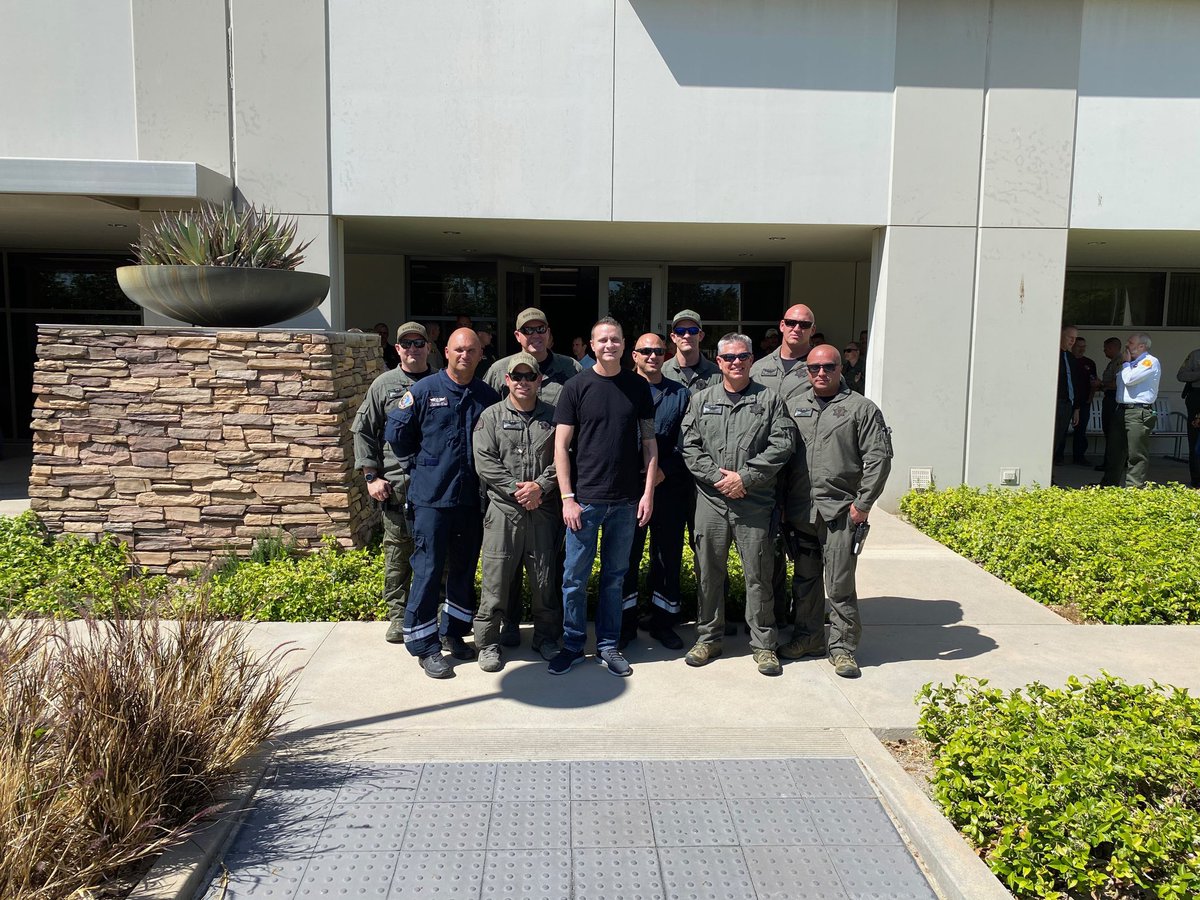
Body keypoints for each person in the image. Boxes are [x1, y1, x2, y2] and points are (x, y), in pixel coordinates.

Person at [385, 328, 499, 678]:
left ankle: (454, 633)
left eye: (472, 350)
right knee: (429, 569)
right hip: (431, 499)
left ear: (481, 354)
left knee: (463, 569)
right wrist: (420, 467)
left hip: (469, 500)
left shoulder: (487, 396)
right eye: (459, 350)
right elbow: (397, 436)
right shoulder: (423, 391)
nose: (465, 355)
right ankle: (425, 645)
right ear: (446, 352)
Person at [680, 333, 797, 676]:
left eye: (742, 356)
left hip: (754, 502)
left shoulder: (771, 400)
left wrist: (744, 478)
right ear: (718, 362)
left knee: (758, 574)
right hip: (711, 501)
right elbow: (689, 446)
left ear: (750, 359)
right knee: (708, 573)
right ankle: (708, 638)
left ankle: (763, 644)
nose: (736, 362)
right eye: (728, 357)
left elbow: (782, 445)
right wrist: (719, 478)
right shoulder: (701, 400)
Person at [550, 317, 658, 677]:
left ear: (624, 345)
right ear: (592, 346)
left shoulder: (638, 388)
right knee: (574, 579)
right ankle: (572, 645)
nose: (609, 345)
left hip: (626, 502)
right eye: (602, 340)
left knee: (615, 577)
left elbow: (649, 443)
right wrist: (567, 497)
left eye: (615, 339)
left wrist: (647, 495)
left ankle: (609, 645)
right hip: (585, 501)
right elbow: (561, 447)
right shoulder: (575, 387)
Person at [780, 343, 893, 679]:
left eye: (828, 367)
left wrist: (863, 504)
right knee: (805, 580)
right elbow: (782, 456)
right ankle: (809, 637)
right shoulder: (794, 405)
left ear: (840, 368)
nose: (820, 373)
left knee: (840, 583)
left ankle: (843, 648)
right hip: (802, 511)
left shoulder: (861, 409)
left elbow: (879, 459)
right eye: (813, 368)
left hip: (841, 512)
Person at [472, 353, 563, 671]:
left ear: (539, 380)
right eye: (517, 377)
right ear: (507, 380)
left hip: (542, 511)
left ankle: (546, 638)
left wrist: (540, 486)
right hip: (503, 513)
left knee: (544, 581)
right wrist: (517, 489)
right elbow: (485, 461)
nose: (524, 382)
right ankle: (488, 643)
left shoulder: (554, 417)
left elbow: (565, 456)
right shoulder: (491, 417)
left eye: (530, 376)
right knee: (495, 582)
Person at [352, 322, 435, 644]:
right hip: (395, 484)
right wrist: (371, 477)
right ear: (397, 349)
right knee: (398, 552)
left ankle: (435, 610)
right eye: (406, 344)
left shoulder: (441, 381)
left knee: (436, 551)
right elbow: (363, 431)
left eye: (419, 343)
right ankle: (399, 616)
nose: (413, 349)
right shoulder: (384, 385)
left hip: (434, 485)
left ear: (429, 346)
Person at [620, 332, 690, 651]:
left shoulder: (679, 394)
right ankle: (625, 624)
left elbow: (687, 441)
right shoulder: (620, 388)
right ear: (633, 355)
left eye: (659, 351)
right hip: (627, 489)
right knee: (626, 557)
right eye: (646, 350)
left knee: (666, 556)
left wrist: (664, 470)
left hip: (668, 487)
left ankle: (663, 622)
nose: (653, 356)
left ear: (667, 354)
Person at [485, 308, 582, 407]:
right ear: (518, 336)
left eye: (541, 329)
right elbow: (487, 411)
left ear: (548, 332)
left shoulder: (571, 367)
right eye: (528, 330)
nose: (535, 335)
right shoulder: (499, 371)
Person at [1102, 332, 1161, 488]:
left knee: (1136, 453)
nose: (1127, 345)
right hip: (1121, 409)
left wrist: (1126, 364)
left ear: (1142, 346)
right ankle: (1108, 486)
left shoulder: (1150, 362)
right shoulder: (1130, 363)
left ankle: (1133, 489)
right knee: (1114, 451)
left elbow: (1129, 380)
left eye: (1130, 342)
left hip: (1138, 411)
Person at [751, 304, 817, 401]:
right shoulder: (759, 367)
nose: (797, 329)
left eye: (804, 325)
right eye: (791, 322)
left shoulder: (824, 368)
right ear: (782, 326)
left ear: (813, 330)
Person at [661, 309, 720, 392]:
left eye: (693, 331)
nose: (687, 335)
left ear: (701, 336)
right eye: (680, 331)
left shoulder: (717, 374)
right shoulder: (661, 372)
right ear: (673, 337)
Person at [1053, 325, 1086, 466]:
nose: (1072, 341)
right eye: (1070, 337)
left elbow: (1076, 383)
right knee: (1051, 439)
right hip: (1055, 403)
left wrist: (1076, 408)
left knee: (1059, 438)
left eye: (1075, 338)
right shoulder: (1053, 354)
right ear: (1061, 335)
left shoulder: (1070, 357)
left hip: (1068, 404)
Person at [1071, 337, 1100, 465]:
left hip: (1083, 402)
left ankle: (1079, 456)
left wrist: (1090, 398)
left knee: (1081, 430)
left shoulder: (1089, 363)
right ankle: (1057, 457)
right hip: (1068, 401)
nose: (1081, 349)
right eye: (1079, 346)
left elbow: (1093, 382)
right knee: (1060, 430)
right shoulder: (1067, 360)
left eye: (1084, 346)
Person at [1096, 337, 1123, 473]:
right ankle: (1110, 462)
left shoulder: (1119, 362)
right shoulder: (1113, 362)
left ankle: (1111, 464)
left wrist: (1101, 384)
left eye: (1106, 348)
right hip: (1109, 397)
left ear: (1112, 348)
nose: (1104, 351)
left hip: (1114, 400)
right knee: (1109, 432)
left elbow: (1117, 383)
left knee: (1112, 432)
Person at [1178, 345, 1200, 488]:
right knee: (1195, 440)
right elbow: (1181, 375)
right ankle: (1197, 479)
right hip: (1197, 396)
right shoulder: (1195, 355)